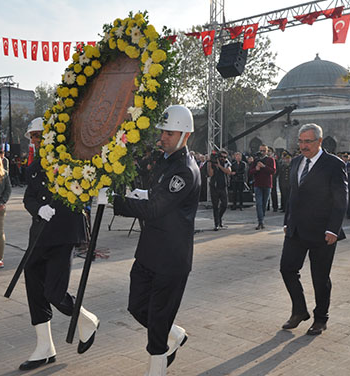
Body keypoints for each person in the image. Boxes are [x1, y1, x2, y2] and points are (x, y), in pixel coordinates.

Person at [113, 105, 200, 375]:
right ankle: (173, 334)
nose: (162, 137)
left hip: (171, 258)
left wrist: (117, 202)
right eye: (162, 132)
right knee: (136, 305)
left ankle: (158, 366)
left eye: (169, 133)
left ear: (185, 135)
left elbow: (156, 209)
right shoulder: (166, 160)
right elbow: (155, 196)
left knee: (158, 323)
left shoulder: (184, 170)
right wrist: (141, 193)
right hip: (150, 251)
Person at [19, 117, 99, 371]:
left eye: (39, 135)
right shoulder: (33, 167)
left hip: (63, 235)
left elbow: (83, 188)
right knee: (33, 283)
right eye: (32, 136)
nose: (35, 140)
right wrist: (38, 208)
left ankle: (86, 320)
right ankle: (45, 346)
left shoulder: (68, 161)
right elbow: (28, 197)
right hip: (40, 235)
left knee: (54, 291)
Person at [280, 123, 348, 336]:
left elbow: (341, 199)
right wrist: (287, 221)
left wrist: (333, 229)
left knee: (320, 277)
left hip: (322, 232)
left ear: (319, 141)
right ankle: (299, 310)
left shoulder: (333, 164)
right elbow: (293, 195)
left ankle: (321, 319)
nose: (303, 146)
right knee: (287, 269)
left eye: (308, 141)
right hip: (296, 230)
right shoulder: (297, 162)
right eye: (300, 141)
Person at [249, 144, 276, 230]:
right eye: (261, 150)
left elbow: (273, 171)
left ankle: (262, 219)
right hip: (258, 185)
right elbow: (250, 171)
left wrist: (264, 166)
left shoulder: (270, 160)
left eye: (264, 151)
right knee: (259, 204)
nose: (262, 152)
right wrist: (256, 169)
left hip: (267, 184)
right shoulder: (256, 160)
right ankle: (260, 221)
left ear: (267, 151)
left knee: (264, 204)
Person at [207, 148, 231, 230]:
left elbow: (228, 171)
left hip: (223, 186)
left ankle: (219, 218)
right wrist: (210, 165)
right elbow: (210, 174)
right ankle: (216, 223)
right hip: (214, 186)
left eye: (224, 157)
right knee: (215, 206)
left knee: (225, 204)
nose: (223, 159)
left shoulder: (226, 162)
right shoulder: (213, 162)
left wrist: (220, 166)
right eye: (221, 157)